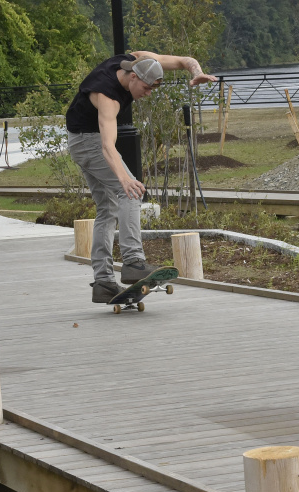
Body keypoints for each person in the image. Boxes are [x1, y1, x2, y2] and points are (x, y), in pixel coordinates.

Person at [65, 52, 216, 303]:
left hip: (81, 139)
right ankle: (133, 261)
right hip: (88, 142)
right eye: (145, 88)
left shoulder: (140, 59)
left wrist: (195, 71)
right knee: (131, 192)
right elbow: (107, 147)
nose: (147, 94)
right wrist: (124, 179)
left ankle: (103, 282)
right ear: (133, 77)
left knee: (107, 208)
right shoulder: (107, 96)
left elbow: (184, 60)